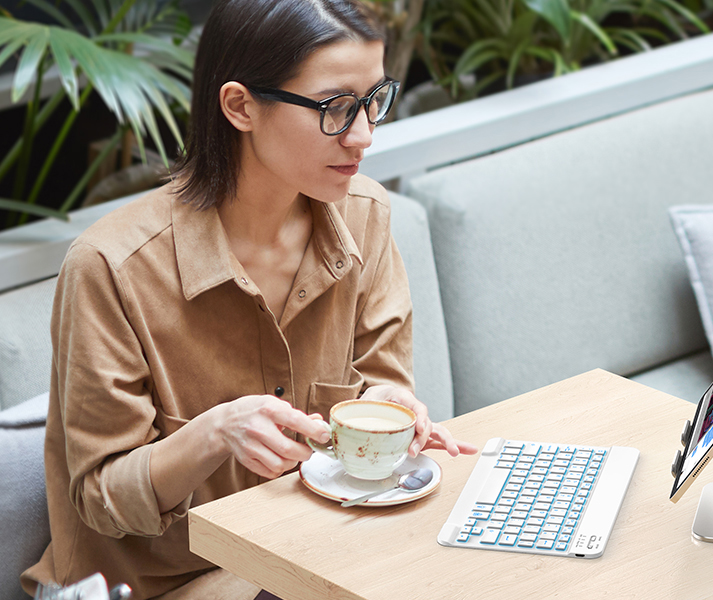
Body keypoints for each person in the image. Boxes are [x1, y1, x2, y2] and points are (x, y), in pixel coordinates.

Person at [21, 0, 477, 598]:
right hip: (160, 584)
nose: (364, 134)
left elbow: (383, 379)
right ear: (240, 106)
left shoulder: (365, 216)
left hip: (313, 549)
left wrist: (395, 404)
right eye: (337, 108)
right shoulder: (111, 267)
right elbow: (101, 499)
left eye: (375, 101)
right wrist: (214, 433)